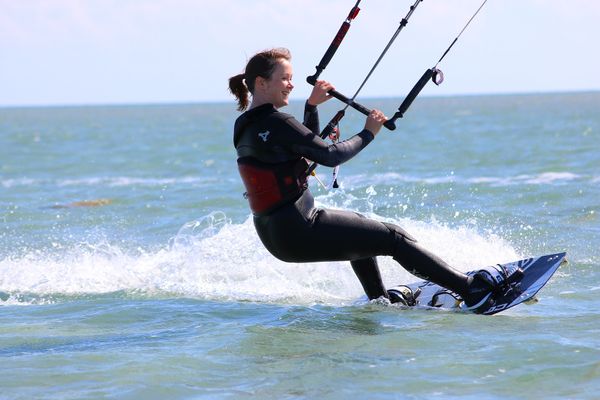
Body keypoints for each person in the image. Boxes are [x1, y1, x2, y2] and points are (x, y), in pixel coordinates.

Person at [228, 48, 508, 312]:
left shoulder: (245, 124)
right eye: (285, 79)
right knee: (393, 237)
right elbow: (328, 155)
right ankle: (472, 291)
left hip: (276, 235)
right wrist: (368, 132)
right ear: (261, 83)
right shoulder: (279, 122)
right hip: (300, 226)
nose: (291, 84)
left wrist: (312, 106)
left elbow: (303, 150)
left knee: (360, 232)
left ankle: (379, 300)